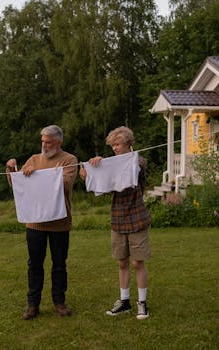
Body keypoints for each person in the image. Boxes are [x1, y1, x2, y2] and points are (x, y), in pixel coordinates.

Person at [6, 125, 78, 320]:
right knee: (34, 264)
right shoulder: (33, 160)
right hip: (35, 223)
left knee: (59, 265)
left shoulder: (69, 160)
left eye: (48, 142)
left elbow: (64, 186)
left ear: (58, 142)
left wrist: (39, 176)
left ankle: (59, 302)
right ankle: (32, 305)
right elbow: (17, 186)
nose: (44, 145)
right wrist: (11, 170)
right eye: (43, 141)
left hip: (60, 223)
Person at [79, 126, 151, 320]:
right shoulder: (111, 163)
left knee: (137, 262)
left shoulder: (139, 161)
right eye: (112, 146)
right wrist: (94, 170)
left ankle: (142, 303)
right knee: (122, 262)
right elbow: (106, 182)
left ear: (128, 143)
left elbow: (138, 169)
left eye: (117, 144)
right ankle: (124, 301)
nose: (115, 149)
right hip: (118, 219)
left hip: (137, 218)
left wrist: (107, 166)